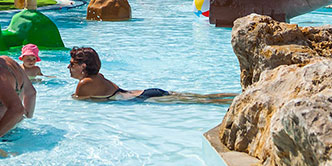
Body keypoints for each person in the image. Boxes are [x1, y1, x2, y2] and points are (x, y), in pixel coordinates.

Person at [68, 47, 234, 104]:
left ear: (83, 66)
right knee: (200, 97)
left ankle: (232, 100)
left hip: (144, 99)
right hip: (147, 92)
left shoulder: (85, 84)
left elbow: (78, 100)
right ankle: (234, 97)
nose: (69, 67)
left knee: (202, 101)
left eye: (72, 64)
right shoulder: (98, 77)